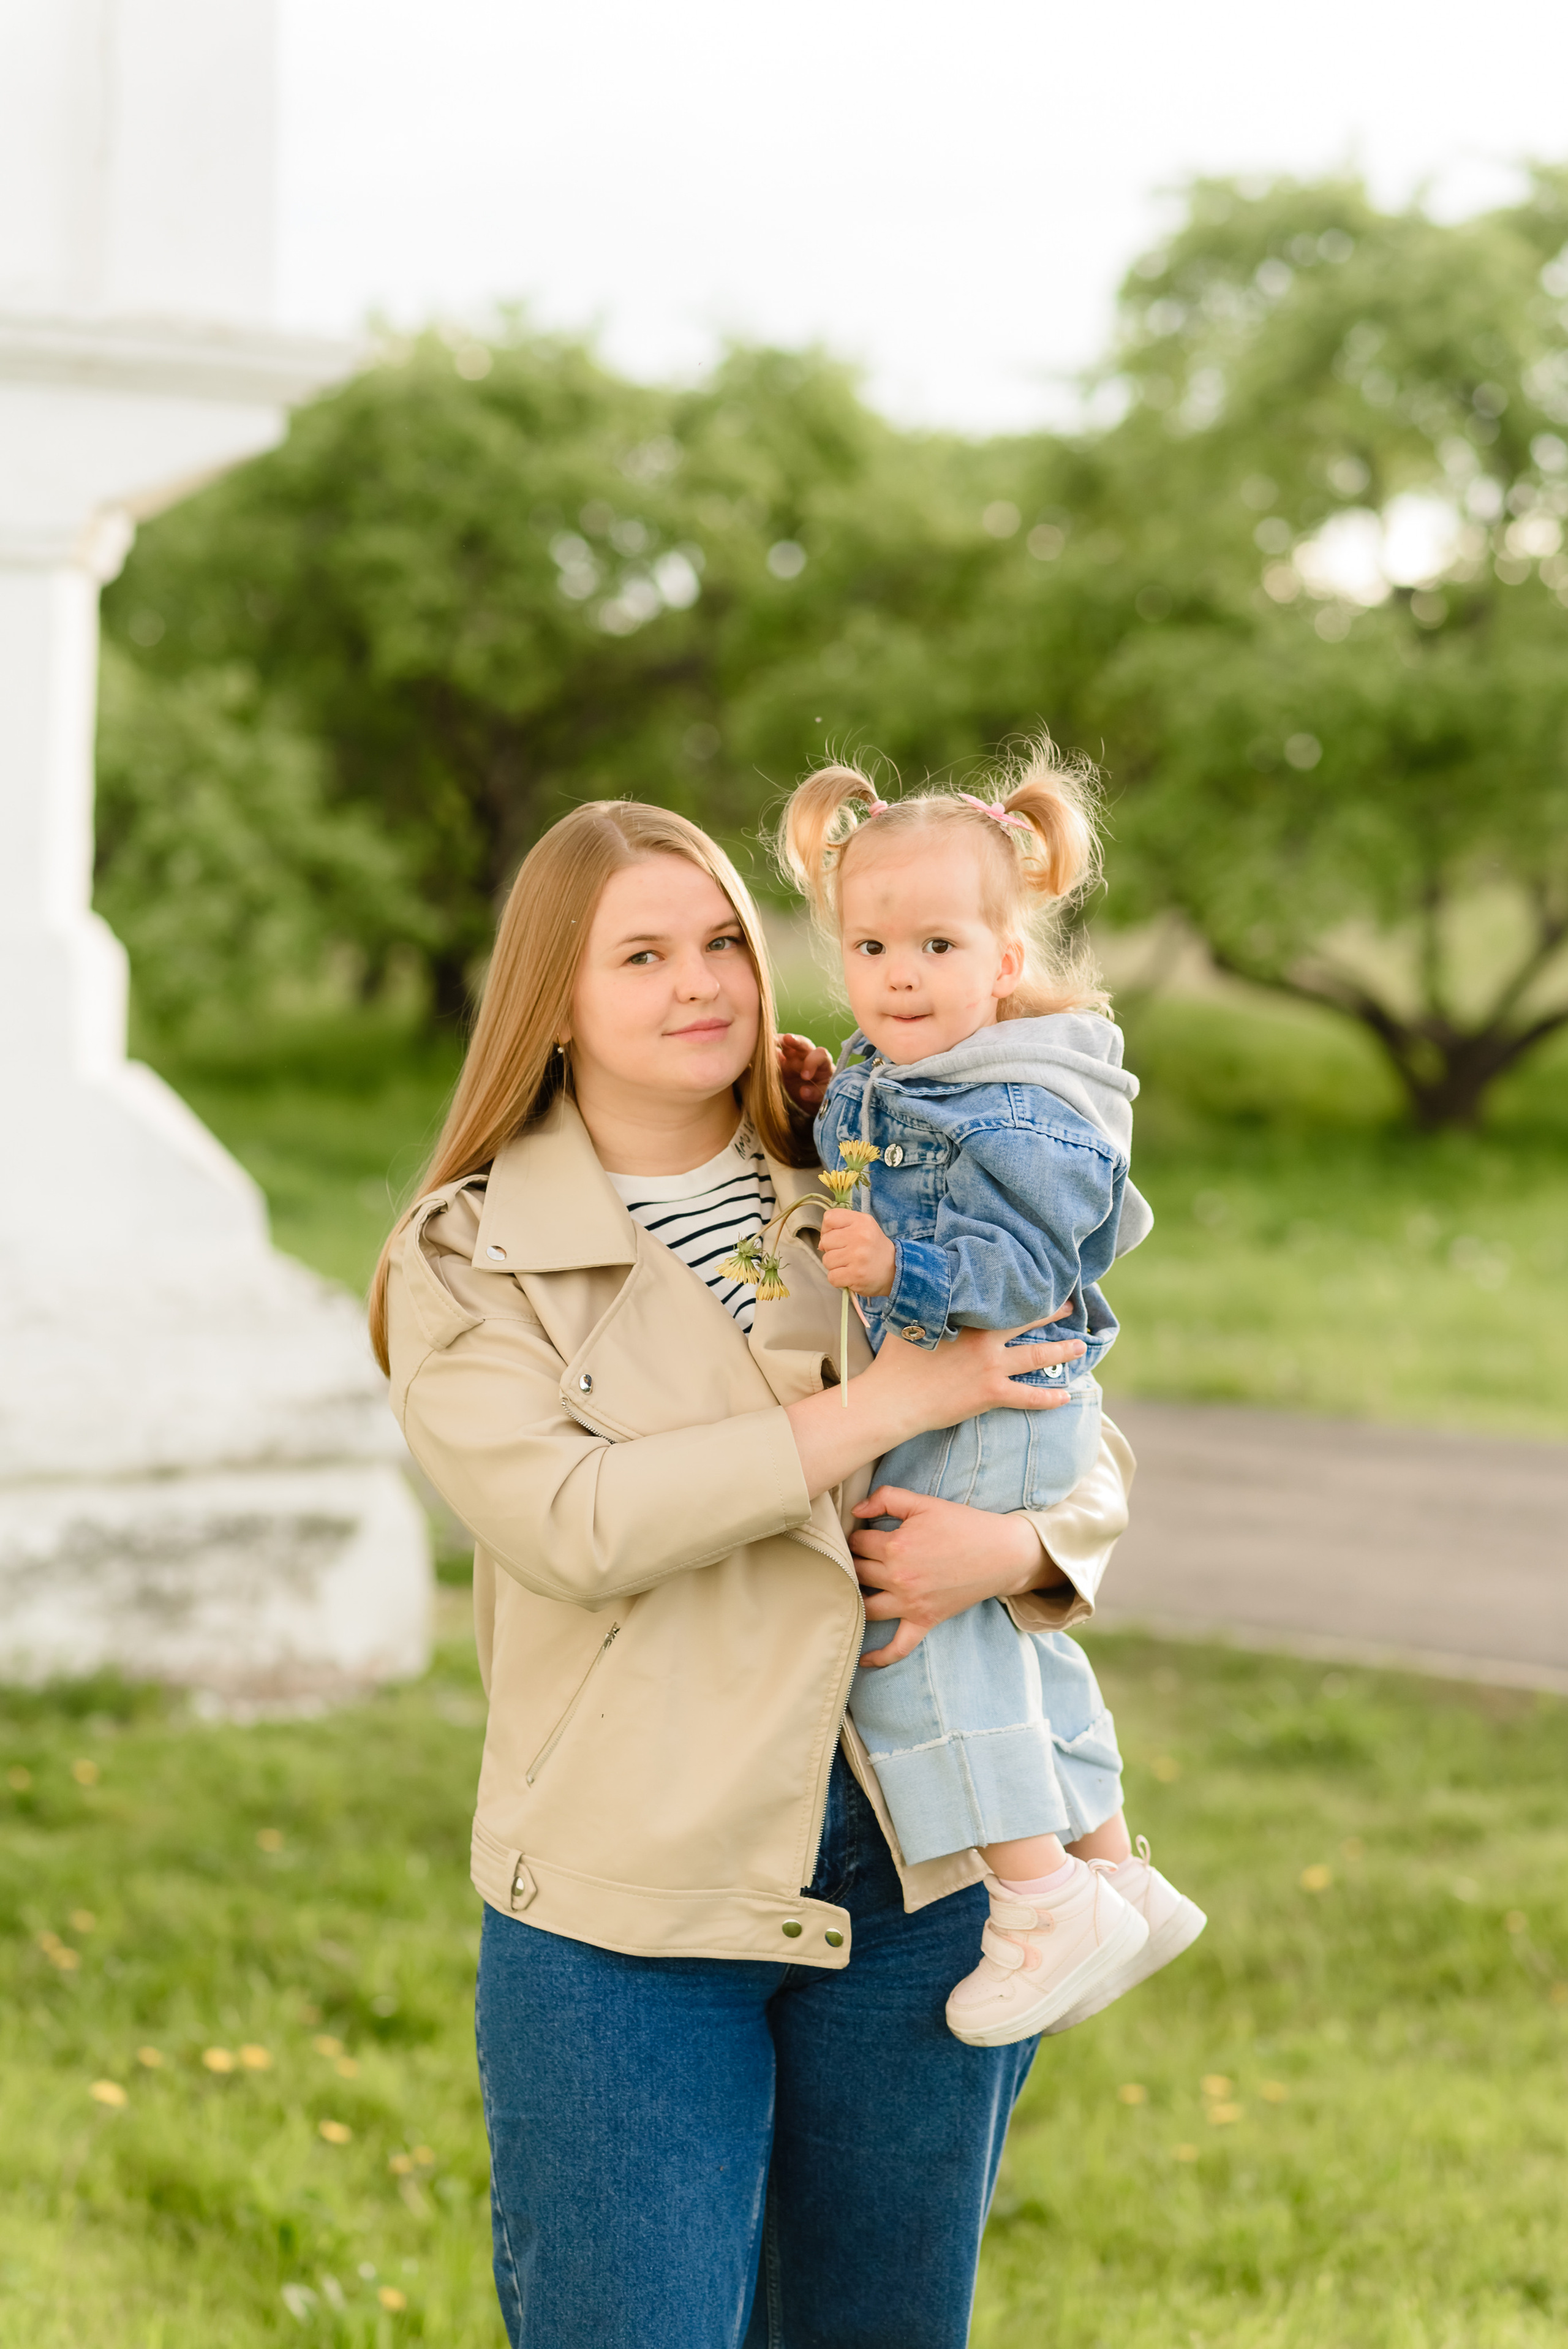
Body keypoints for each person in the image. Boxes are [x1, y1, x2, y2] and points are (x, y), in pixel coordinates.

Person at [371, 797, 1138, 2349]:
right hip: (630, 1901)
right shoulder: (461, 1259)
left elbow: (1064, 1398)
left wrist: (1023, 1547)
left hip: (921, 1869)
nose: (700, 981)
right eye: (640, 954)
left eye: (721, 938)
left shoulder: (874, 1164)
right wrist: (892, 1402)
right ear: (552, 1002)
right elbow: (573, 1522)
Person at [775, 747, 1204, 2050]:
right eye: (868, 946)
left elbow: (1032, 1264)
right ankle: (1111, 1867)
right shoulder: (927, 1064)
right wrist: (816, 1112)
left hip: (996, 1402)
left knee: (917, 1650)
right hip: (1003, 1410)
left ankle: (1037, 1901)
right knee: (1018, 1643)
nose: (895, 976)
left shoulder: (1025, 1110)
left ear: (1004, 961)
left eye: (935, 945)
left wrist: (901, 1267)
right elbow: (886, 1153)